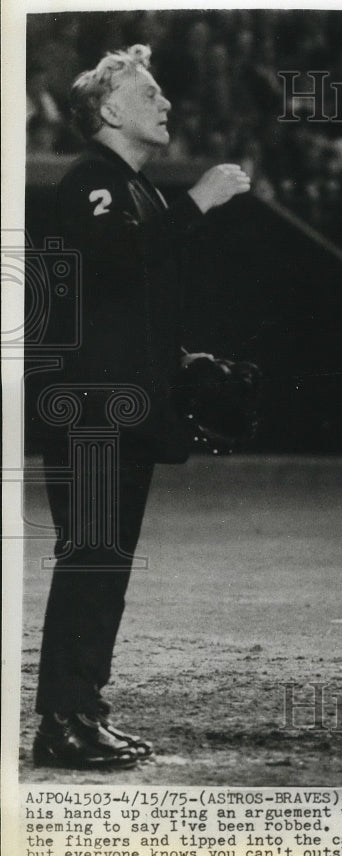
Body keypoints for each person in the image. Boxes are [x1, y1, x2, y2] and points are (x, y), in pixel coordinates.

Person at [31, 44, 251, 769]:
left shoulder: (134, 189)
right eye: (148, 92)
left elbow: (126, 304)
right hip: (91, 411)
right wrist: (198, 203)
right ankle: (63, 721)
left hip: (116, 408)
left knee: (106, 564)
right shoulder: (94, 181)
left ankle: (83, 713)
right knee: (92, 560)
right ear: (111, 109)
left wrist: (174, 367)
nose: (164, 103)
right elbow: (114, 264)